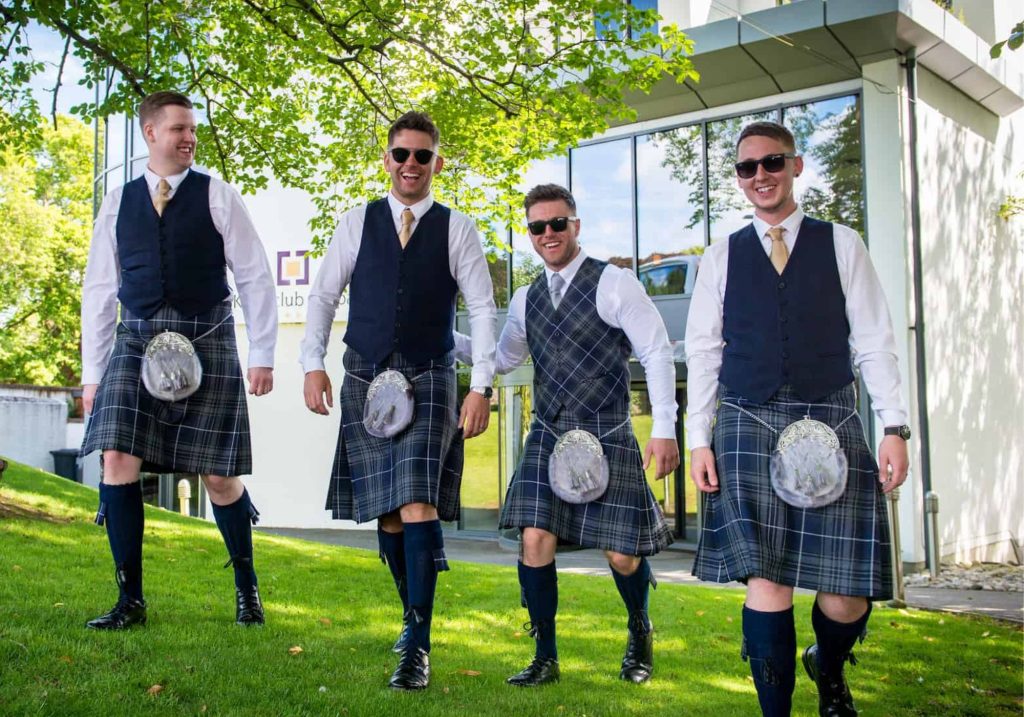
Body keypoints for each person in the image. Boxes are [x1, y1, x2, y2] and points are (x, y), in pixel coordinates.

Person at [686, 120, 910, 717]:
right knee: (767, 579)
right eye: (747, 168)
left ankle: (829, 668)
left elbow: (874, 341)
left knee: (846, 595)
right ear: (739, 178)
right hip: (745, 420)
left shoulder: (842, 244)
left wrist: (894, 427)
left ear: (795, 166)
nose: (760, 175)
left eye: (772, 163)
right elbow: (704, 351)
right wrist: (697, 438)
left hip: (831, 418)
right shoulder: (720, 255)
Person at [300, 111, 496, 691]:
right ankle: (411, 623)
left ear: (438, 161)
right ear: (386, 159)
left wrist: (480, 385)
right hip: (365, 374)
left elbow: (483, 309)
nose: (412, 165)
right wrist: (311, 364)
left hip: (431, 373)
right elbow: (323, 295)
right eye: (402, 154)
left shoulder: (458, 229)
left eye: (423, 156)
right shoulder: (355, 223)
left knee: (415, 501)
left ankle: (418, 642)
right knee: (387, 511)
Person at [456, 183, 679, 687]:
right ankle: (544, 655)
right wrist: (443, 338)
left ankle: (640, 628)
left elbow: (658, 353)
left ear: (575, 226)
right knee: (534, 540)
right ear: (529, 233)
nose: (548, 234)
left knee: (622, 553)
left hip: (608, 431)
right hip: (549, 434)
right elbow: (507, 357)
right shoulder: (525, 297)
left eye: (558, 224)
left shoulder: (615, 283)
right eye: (538, 227)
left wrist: (663, 427)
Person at [81, 91, 277, 630]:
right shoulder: (117, 202)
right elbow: (100, 290)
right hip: (136, 338)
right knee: (117, 460)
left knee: (218, 474)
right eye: (178, 129)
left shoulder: (218, 195)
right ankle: (129, 601)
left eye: (192, 129)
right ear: (150, 133)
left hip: (207, 335)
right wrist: (91, 377)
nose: (188, 137)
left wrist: (262, 354)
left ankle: (247, 589)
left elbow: (255, 276)